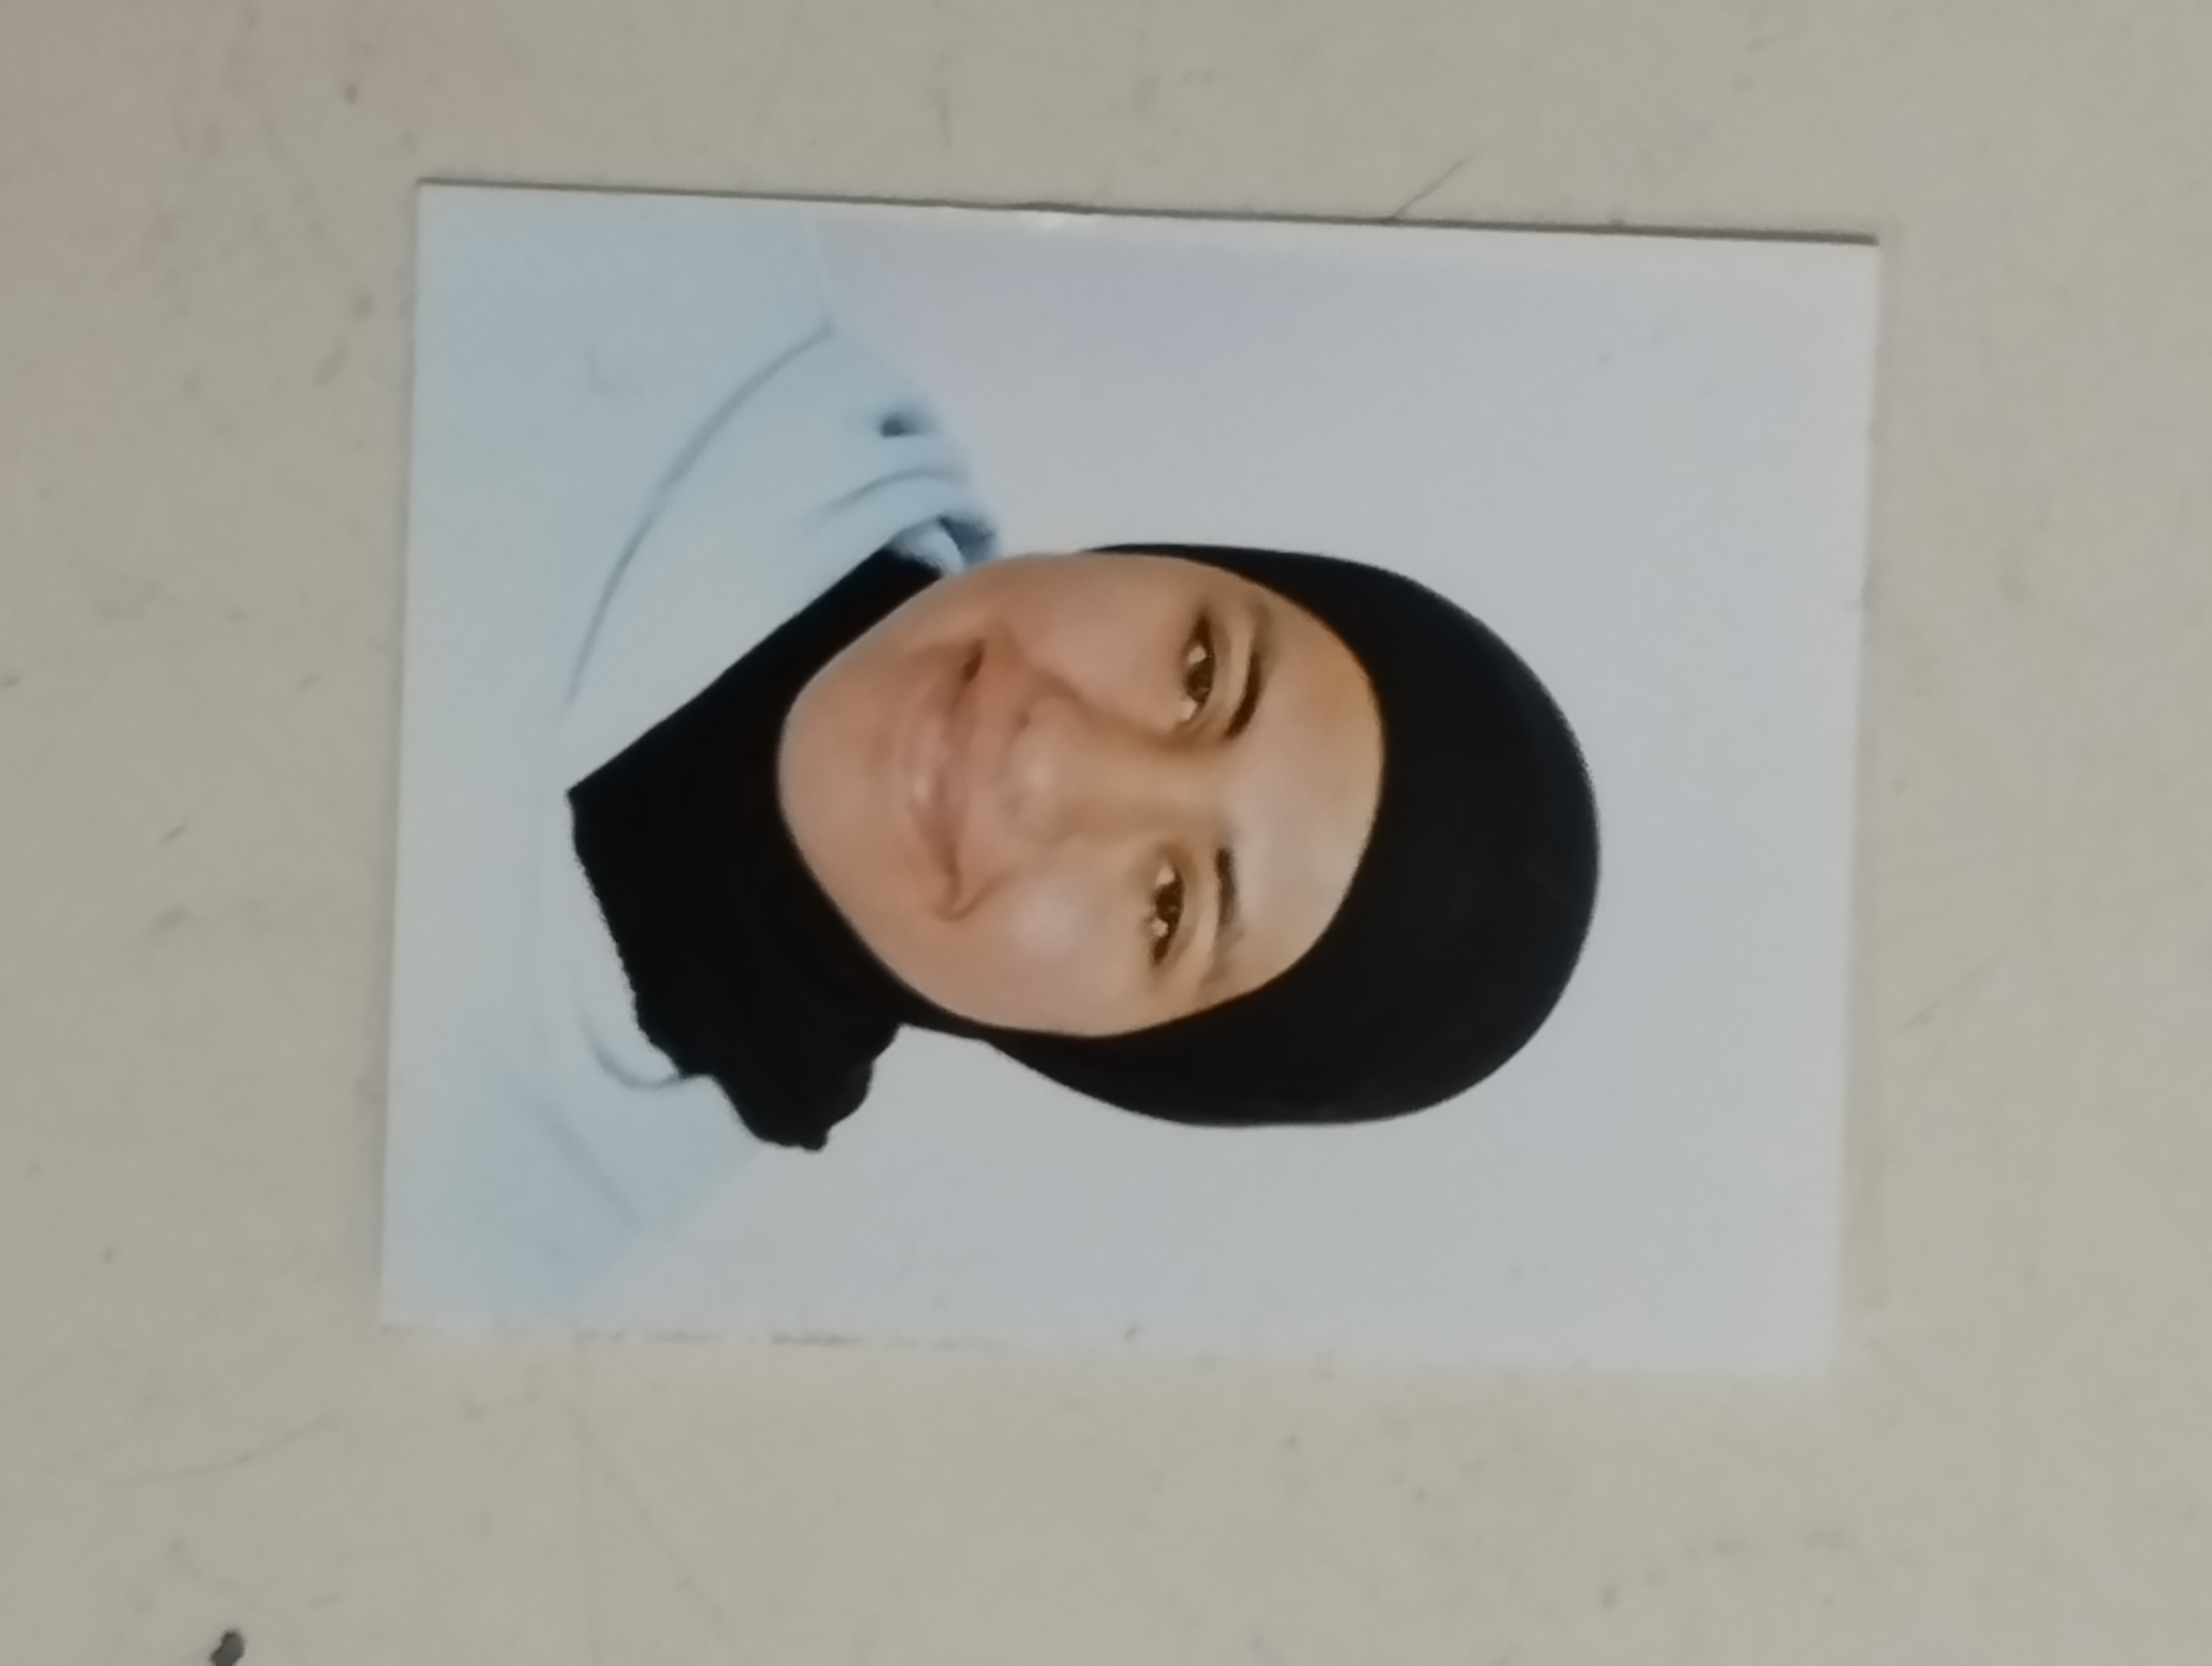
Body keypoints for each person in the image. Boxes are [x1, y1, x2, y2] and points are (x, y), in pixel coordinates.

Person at [386, 196, 1596, 1322]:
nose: (1048, 764)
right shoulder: (629, 237)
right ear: (1170, 560)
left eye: (1169, 908)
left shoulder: (467, 1251)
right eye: (1200, 674)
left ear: (1108, 1055)